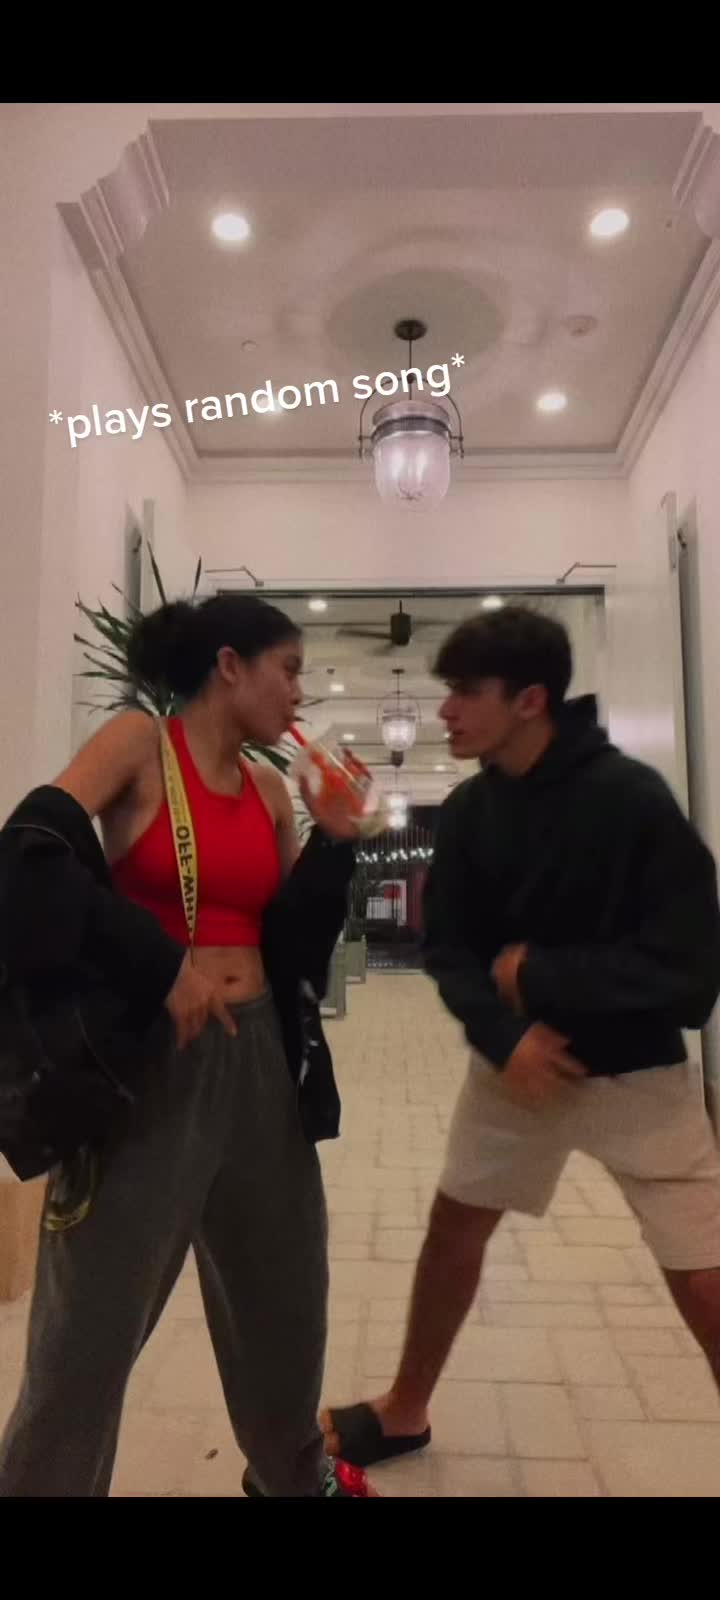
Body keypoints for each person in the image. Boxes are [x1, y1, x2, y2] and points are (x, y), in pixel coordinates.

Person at [321, 604, 720, 1469]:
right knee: (454, 1230)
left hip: (640, 1076)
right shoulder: (470, 810)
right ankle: (405, 1411)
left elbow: (692, 974)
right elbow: (449, 950)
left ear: (530, 700)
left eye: (466, 691)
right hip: (511, 1073)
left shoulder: (632, 800)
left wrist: (540, 976)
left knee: (703, 1270)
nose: (445, 710)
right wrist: (507, 1038)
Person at [0, 592, 376, 1498]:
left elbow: (294, 952)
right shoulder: (140, 744)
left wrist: (333, 845)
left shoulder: (274, 791)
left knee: (284, 1299)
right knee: (90, 1326)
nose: (301, 692)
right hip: (150, 1063)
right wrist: (160, 964)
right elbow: (26, 852)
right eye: (289, 669)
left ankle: (292, 1477)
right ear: (230, 665)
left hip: (261, 1065)